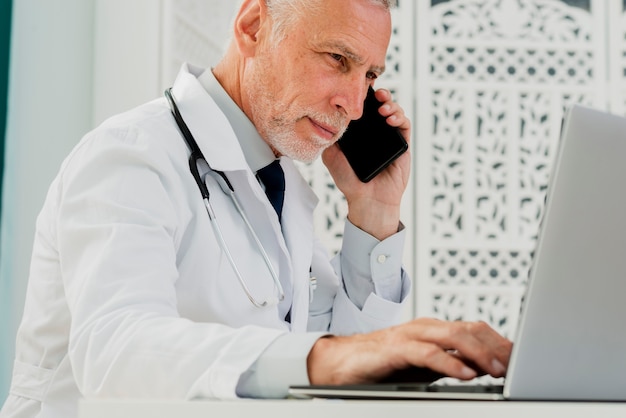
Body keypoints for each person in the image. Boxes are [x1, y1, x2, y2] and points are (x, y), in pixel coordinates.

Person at [0, 0, 512, 416]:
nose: (355, 106)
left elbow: (348, 375)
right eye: (338, 59)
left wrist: (374, 210)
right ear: (252, 26)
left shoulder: (276, 180)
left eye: (369, 73)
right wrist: (326, 358)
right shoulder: (130, 154)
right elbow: (114, 352)